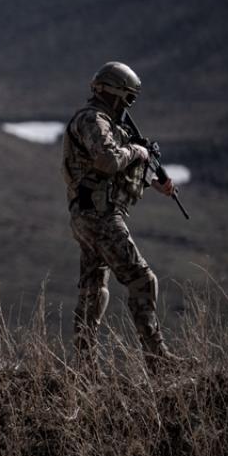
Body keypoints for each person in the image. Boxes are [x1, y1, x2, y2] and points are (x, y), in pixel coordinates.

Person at [62, 62, 181, 368]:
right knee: (141, 279)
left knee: (93, 287)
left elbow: (103, 172)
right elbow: (107, 160)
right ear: (114, 93)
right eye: (127, 98)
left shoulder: (100, 121)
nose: (128, 105)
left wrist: (153, 183)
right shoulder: (94, 120)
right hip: (100, 216)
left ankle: (84, 367)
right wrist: (137, 153)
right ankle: (157, 358)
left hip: (88, 215)